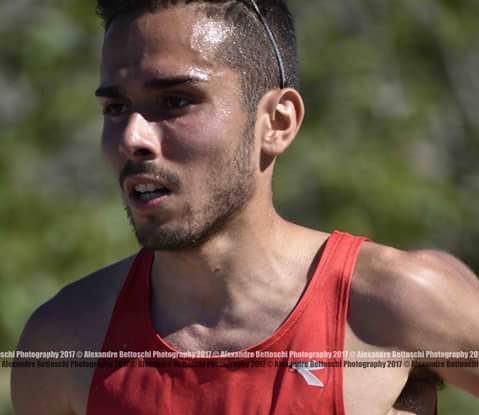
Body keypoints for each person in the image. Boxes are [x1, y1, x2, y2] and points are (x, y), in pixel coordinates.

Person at [11, 1, 479, 414]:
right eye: (115, 110)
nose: (133, 137)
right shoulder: (65, 343)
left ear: (277, 122)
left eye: (175, 101)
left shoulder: (397, 301)